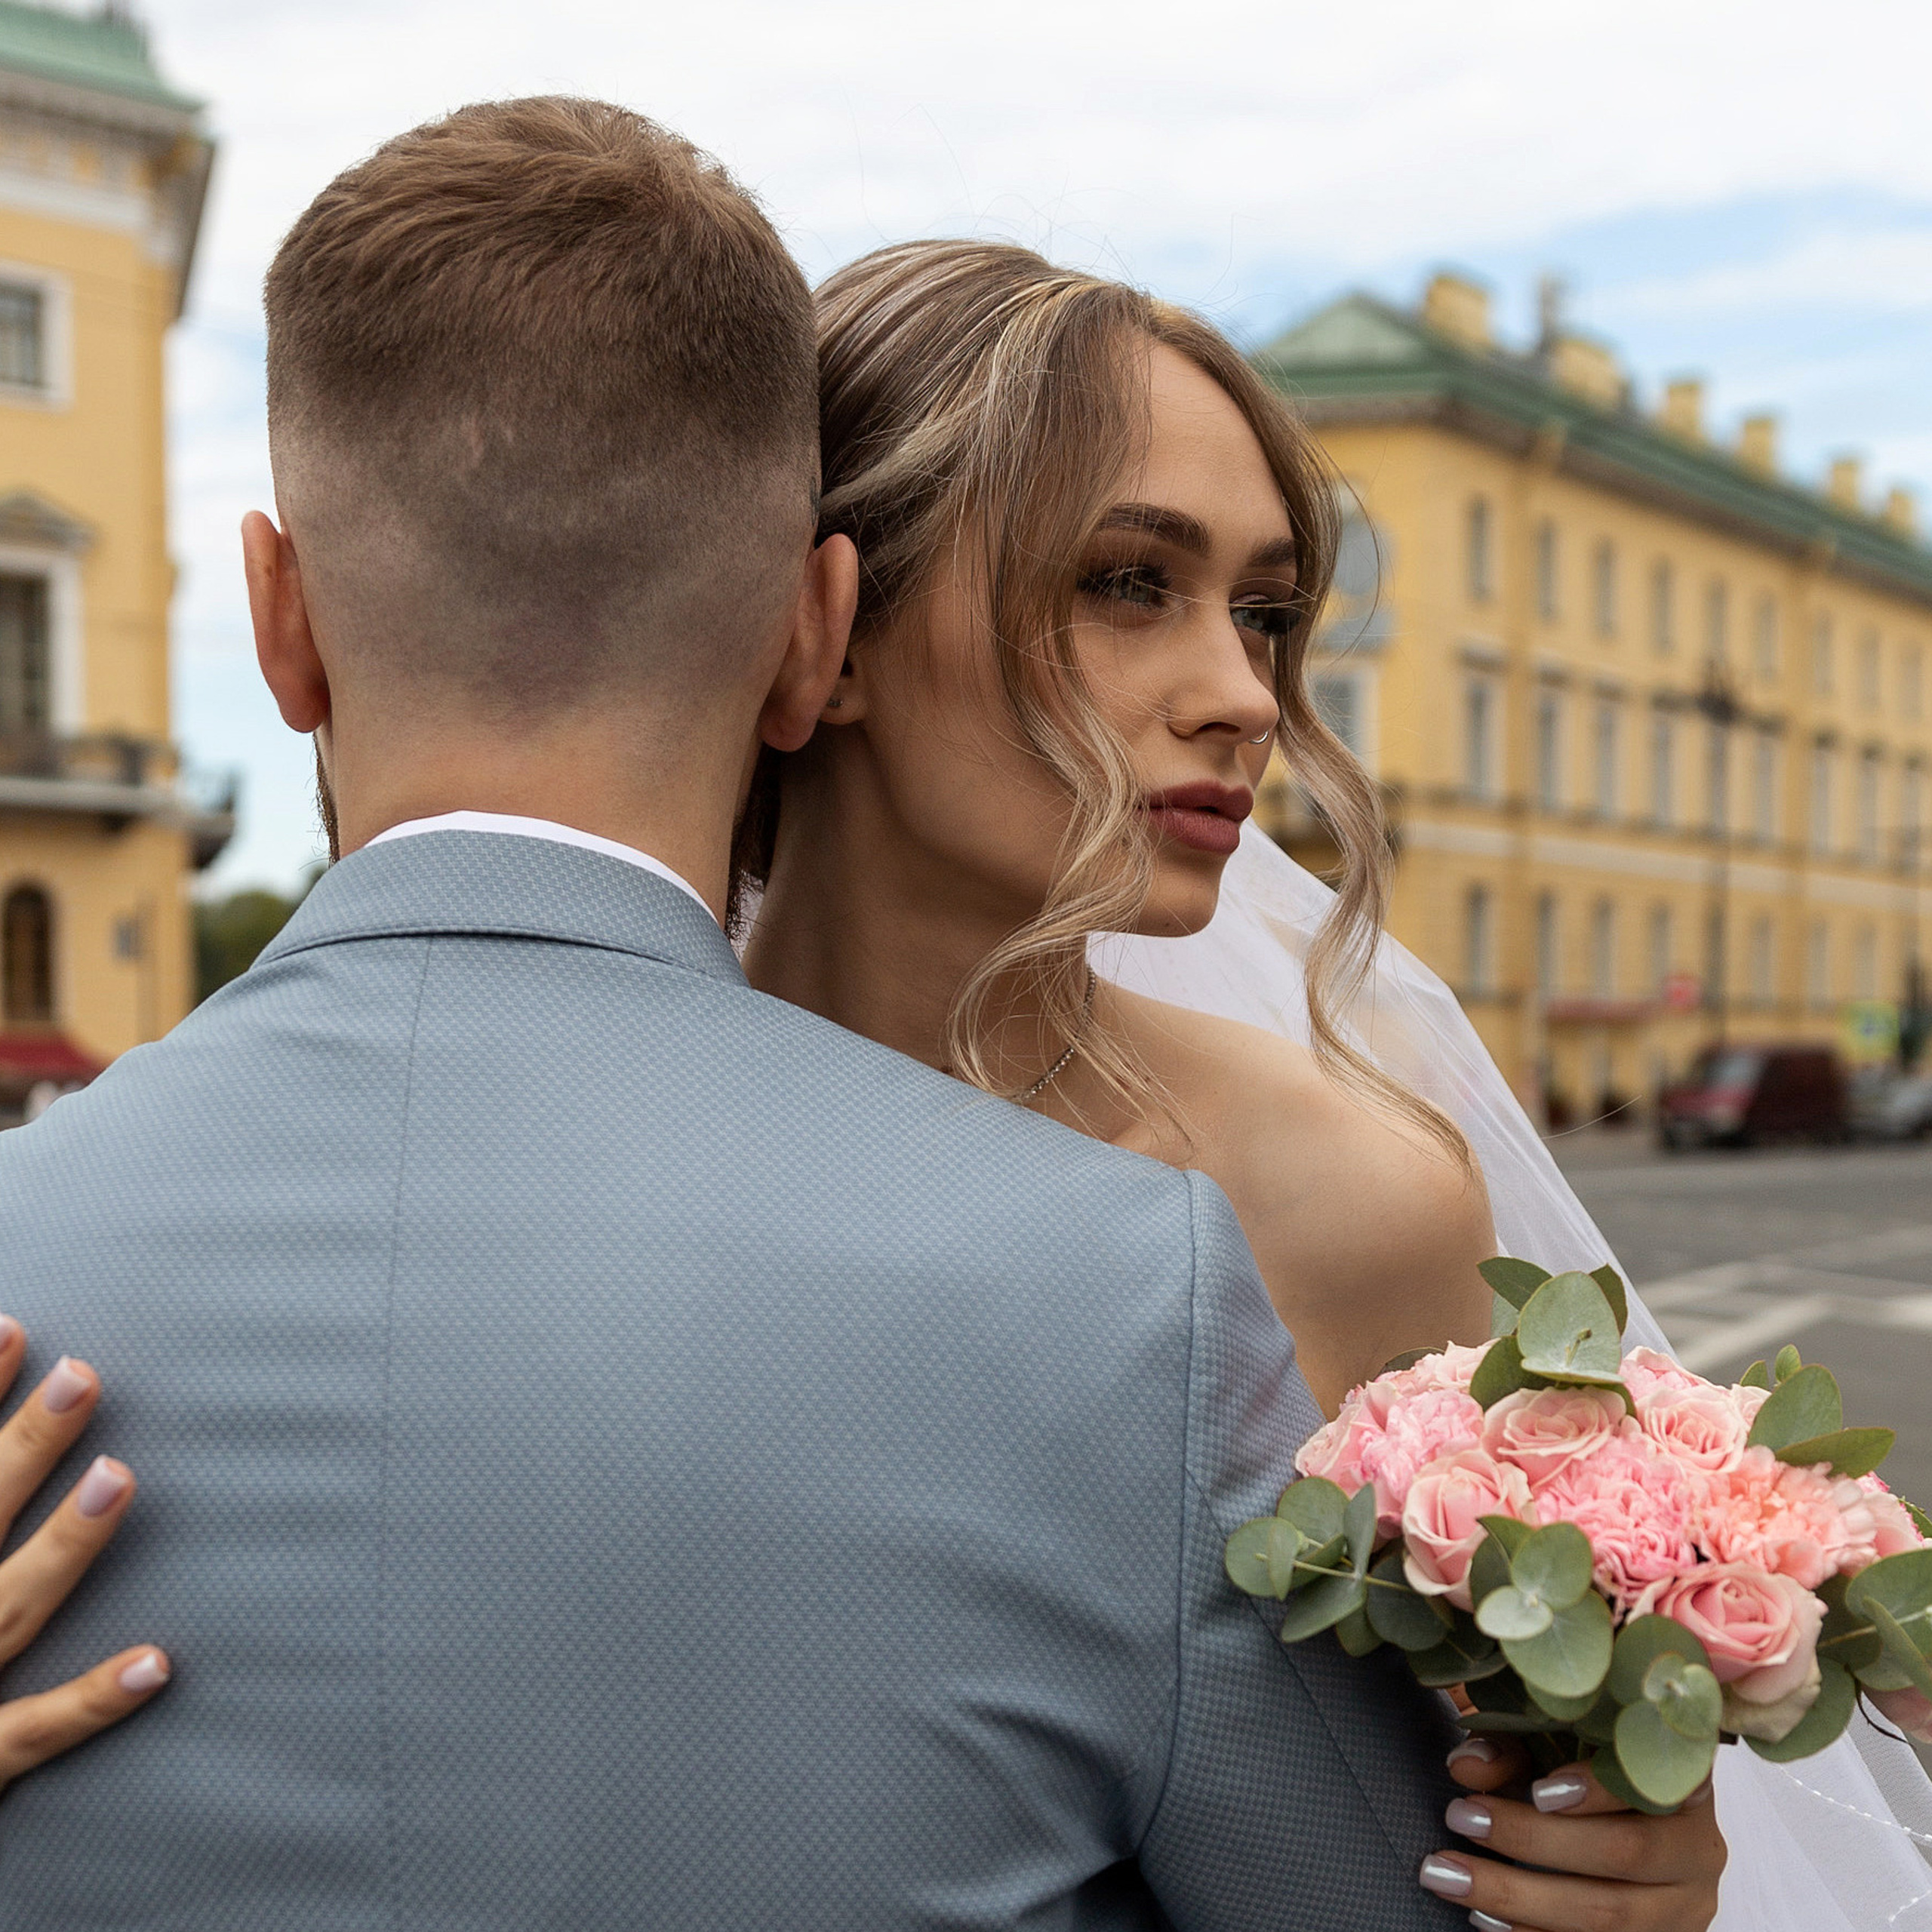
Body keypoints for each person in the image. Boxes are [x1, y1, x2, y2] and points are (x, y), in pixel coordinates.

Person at [0, 95, 1564, 1929]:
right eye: (1123, 583)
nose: (1238, 695)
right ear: (822, 630)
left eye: (1267, 612)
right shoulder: (1135, 1290)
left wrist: (1603, 1830)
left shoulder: (1289, 1211)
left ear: (282, 617)